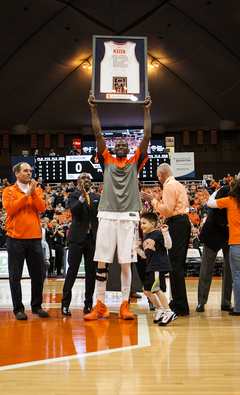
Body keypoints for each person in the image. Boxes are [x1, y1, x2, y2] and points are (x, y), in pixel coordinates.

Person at [84, 92, 151, 321]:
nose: (122, 146)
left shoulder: (135, 162)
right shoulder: (107, 160)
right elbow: (97, 133)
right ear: (113, 149)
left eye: (125, 144)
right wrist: (94, 109)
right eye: (118, 144)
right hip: (107, 214)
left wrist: (146, 110)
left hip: (129, 215)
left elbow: (147, 137)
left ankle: (124, 304)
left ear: (128, 148)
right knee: (101, 260)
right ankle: (100, 304)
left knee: (126, 262)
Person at [140, 163, 191, 316]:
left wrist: (153, 201)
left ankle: (180, 306)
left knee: (175, 265)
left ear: (161, 173)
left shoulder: (169, 186)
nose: (158, 178)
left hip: (177, 223)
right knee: (177, 265)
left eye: (157, 175)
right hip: (181, 223)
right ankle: (178, 302)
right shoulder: (178, 185)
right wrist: (157, 200)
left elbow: (168, 211)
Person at [2, 162, 49, 320]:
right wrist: (27, 195)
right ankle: (18, 309)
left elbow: (42, 208)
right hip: (15, 239)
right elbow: (10, 209)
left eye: (30, 171)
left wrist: (33, 192)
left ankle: (36, 306)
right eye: (25, 171)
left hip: (35, 238)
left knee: (39, 274)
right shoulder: (8, 190)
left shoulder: (37, 190)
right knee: (15, 276)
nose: (29, 173)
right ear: (17, 173)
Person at [61, 173, 100, 316]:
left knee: (91, 273)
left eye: (89, 179)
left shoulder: (97, 197)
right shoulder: (73, 195)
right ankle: (65, 304)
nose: (86, 181)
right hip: (77, 239)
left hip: (92, 239)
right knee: (72, 272)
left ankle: (88, 305)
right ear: (78, 182)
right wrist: (82, 196)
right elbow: (74, 211)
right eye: (83, 179)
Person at [134, 212, 177, 326]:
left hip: (158, 266)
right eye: (141, 223)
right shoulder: (145, 238)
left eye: (144, 223)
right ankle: (160, 309)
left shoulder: (158, 234)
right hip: (150, 267)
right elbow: (145, 256)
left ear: (152, 224)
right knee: (146, 291)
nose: (141, 225)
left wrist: (165, 233)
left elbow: (168, 245)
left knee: (157, 289)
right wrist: (136, 248)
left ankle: (168, 311)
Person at [196, 185, 233, 312]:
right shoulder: (225, 191)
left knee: (229, 271)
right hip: (214, 233)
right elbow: (213, 211)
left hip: (231, 236)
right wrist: (230, 221)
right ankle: (201, 301)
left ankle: (226, 302)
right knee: (206, 269)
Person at [208, 179, 240, 316]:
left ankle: (238, 308)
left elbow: (210, 203)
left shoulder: (230, 200)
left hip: (236, 243)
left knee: (237, 277)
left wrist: (216, 190)